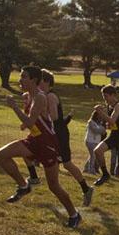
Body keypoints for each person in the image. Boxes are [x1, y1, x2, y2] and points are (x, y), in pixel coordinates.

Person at [0, 67, 81, 227]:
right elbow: (32, 122)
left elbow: (30, 121)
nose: (20, 80)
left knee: (54, 186)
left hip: (47, 144)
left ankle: (74, 214)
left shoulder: (41, 97)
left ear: (34, 80)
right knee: (0, 155)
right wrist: (25, 124)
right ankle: (23, 186)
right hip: (33, 140)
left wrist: (14, 107)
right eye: (20, 76)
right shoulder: (27, 96)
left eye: (24, 77)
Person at [39, 70, 94, 206]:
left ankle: (86, 189)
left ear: (45, 81)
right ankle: (54, 188)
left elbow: (55, 117)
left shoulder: (51, 96)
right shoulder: (46, 95)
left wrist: (41, 112)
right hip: (53, 133)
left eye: (38, 81)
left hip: (59, 134)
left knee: (67, 164)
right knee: (53, 162)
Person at [83, 110, 105, 174]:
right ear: (96, 115)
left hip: (96, 141)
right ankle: (91, 170)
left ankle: (86, 168)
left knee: (92, 155)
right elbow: (95, 131)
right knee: (93, 155)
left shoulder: (99, 123)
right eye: (99, 115)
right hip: (90, 141)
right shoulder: (90, 122)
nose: (100, 117)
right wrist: (102, 129)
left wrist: (101, 129)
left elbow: (103, 132)